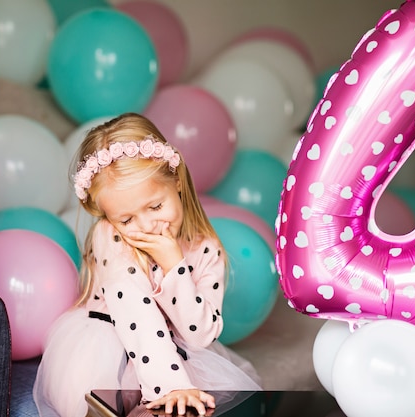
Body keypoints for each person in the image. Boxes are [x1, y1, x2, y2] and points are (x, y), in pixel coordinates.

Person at [33, 113, 262, 417]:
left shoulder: (205, 248)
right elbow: (136, 312)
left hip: (175, 354)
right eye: (126, 219)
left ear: (177, 181)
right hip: (111, 350)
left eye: (155, 206)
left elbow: (200, 334)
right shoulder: (110, 236)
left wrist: (174, 265)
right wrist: (171, 387)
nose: (146, 226)